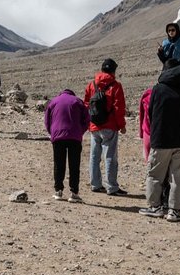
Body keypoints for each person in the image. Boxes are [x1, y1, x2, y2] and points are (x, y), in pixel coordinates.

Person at [140, 61, 180, 221]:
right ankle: (174, 210)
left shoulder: (158, 89)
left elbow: (151, 112)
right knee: (177, 176)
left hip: (162, 139)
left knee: (155, 174)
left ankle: (155, 207)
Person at [84, 58, 128, 195]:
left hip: (94, 126)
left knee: (94, 156)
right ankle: (112, 187)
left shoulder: (91, 85)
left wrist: (89, 122)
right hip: (110, 126)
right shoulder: (116, 85)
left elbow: (86, 104)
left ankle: (95, 184)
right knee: (110, 157)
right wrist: (122, 125)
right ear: (114, 70)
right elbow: (118, 108)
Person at [45, 89, 90, 203]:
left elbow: (47, 121)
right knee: (74, 165)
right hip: (74, 136)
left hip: (58, 137)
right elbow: (87, 119)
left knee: (58, 164)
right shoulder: (78, 101)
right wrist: (80, 131)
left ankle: (58, 191)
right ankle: (74, 193)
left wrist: (53, 132)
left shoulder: (54, 101)